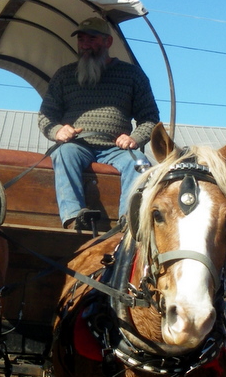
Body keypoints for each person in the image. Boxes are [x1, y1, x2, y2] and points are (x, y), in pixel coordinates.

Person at [38, 16, 159, 228]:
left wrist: (134, 138)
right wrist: (58, 131)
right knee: (63, 153)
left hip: (116, 149)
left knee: (139, 163)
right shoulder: (64, 75)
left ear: (107, 42)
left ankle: (127, 224)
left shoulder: (132, 75)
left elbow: (150, 118)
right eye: (81, 39)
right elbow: (46, 115)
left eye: (92, 38)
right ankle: (74, 217)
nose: (85, 44)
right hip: (78, 145)